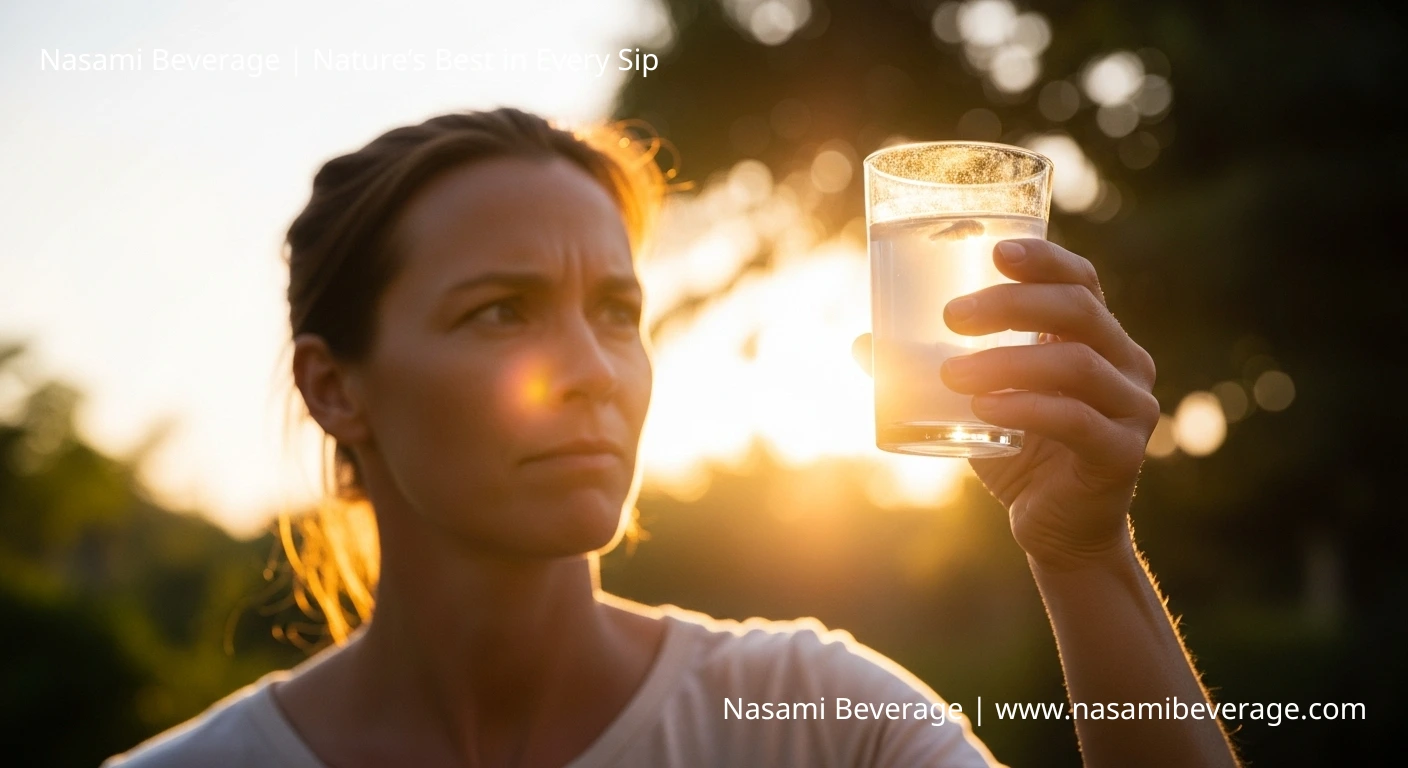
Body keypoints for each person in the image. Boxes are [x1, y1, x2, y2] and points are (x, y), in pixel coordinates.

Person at [103, 108, 1241, 768]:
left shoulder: (816, 721)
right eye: (499, 312)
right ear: (335, 388)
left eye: (615, 312)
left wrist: (1085, 555)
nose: (592, 374)